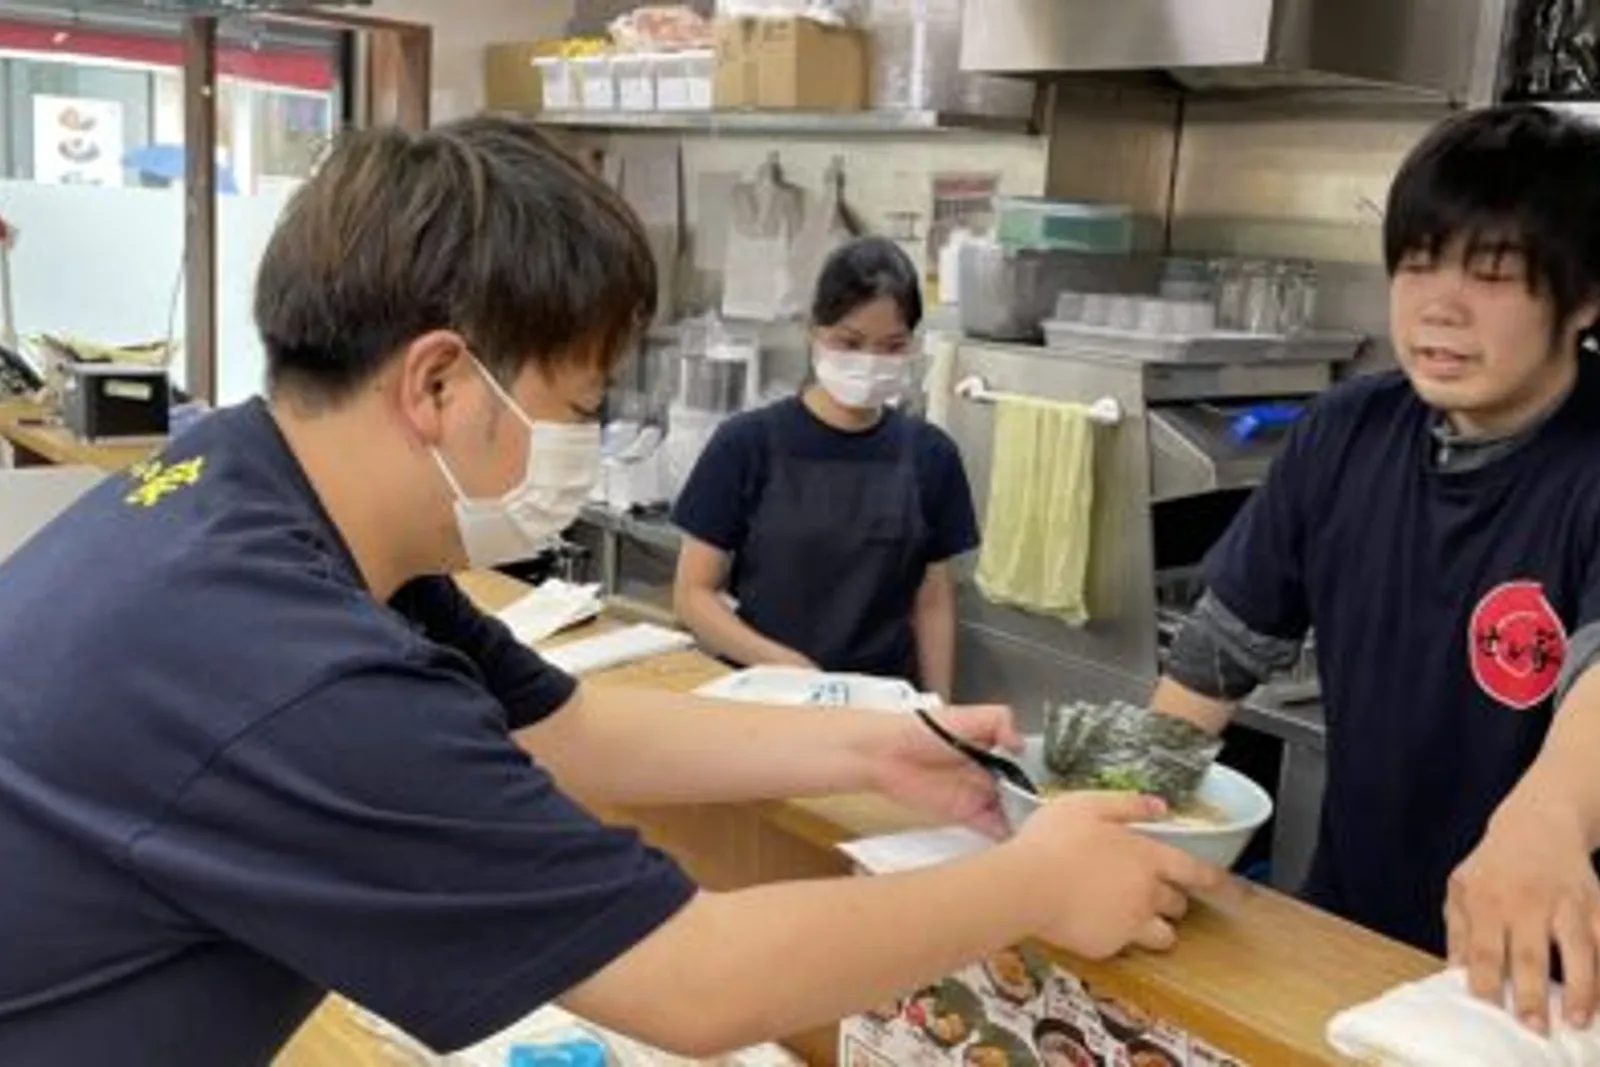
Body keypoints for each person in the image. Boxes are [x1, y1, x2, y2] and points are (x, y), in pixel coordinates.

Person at [0, 117, 1220, 1065]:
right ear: (438, 382)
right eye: (579, 407)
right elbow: (693, 979)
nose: (581, 441)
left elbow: (569, 728)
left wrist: (873, 745)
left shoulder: (253, 485)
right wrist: (1034, 881)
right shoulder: (299, 665)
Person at [1150, 104, 1600, 1032]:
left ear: (1585, 296)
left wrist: (1551, 812)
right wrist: (1122, 805)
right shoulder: (1345, 431)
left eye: (1495, 275)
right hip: (1350, 930)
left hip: (1546, 981)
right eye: (1418, 262)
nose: (1439, 305)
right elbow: (1214, 661)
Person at [671, 237, 978, 699]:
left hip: (880, 707)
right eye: (850, 343)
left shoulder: (931, 456)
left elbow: (932, 601)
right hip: (766, 697)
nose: (871, 361)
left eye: (891, 346)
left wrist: (938, 710)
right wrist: (781, 663)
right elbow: (692, 596)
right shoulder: (746, 445)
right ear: (814, 331)